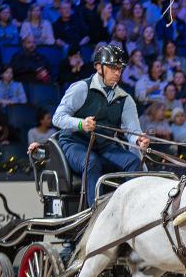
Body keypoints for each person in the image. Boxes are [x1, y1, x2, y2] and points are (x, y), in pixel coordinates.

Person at [48, 44, 150, 208]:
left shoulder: (125, 99)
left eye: (120, 69)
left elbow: (132, 131)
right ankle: (95, 213)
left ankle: (133, 210)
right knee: (92, 162)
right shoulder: (81, 88)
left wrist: (139, 140)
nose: (117, 73)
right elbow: (58, 118)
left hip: (104, 146)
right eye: (113, 68)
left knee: (134, 163)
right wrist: (81, 124)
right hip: (75, 143)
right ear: (98, 67)